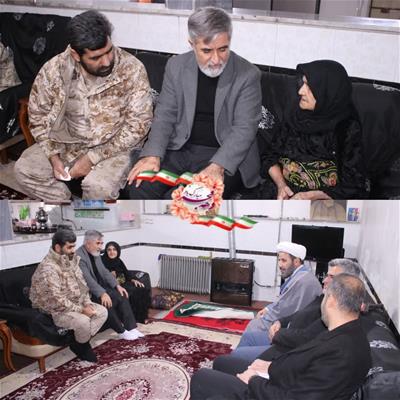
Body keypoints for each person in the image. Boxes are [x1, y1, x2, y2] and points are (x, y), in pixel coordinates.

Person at [14, 10, 153, 201]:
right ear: (76, 55)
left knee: (98, 187)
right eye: (96, 58)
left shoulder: (132, 68)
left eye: (109, 51)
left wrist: (92, 158)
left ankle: (94, 217)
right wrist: (52, 155)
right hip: (66, 143)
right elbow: (38, 116)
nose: (107, 61)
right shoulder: (54, 70)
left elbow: (138, 126)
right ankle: (64, 207)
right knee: (24, 169)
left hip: (115, 147)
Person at [126, 7, 262, 199]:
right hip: (180, 148)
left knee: (184, 200)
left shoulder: (247, 75)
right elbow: (165, 114)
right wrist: (153, 154)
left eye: (223, 49)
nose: (216, 59)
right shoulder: (176, 66)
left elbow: (245, 129)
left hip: (224, 155)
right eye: (207, 51)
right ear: (192, 44)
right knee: (140, 187)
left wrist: (217, 166)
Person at [190, 274, 372, 400]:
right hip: (281, 377)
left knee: (201, 378)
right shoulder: (347, 332)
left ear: (331, 300)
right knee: (222, 362)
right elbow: (307, 366)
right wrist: (270, 367)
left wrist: (254, 380)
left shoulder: (342, 353)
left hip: (271, 391)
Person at [215, 258, 361, 366]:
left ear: (347, 282)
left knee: (235, 355)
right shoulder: (324, 297)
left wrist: (279, 334)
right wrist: (280, 321)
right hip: (285, 335)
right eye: (327, 276)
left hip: (288, 349)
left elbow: (307, 338)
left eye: (331, 277)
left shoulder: (333, 310)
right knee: (248, 337)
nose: (325, 281)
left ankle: (239, 372)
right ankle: (238, 370)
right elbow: (300, 313)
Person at [258, 59, 367, 200]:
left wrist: (311, 196)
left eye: (309, 87)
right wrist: (281, 185)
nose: (301, 91)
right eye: (302, 83)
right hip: (283, 191)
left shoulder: (346, 127)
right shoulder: (295, 115)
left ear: (327, 92)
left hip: (324, 198)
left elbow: (353, 183)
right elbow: (269, 157)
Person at [29, 229, 108, 362]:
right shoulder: (48, 268)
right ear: (58, 247)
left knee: (102, 312)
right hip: (56, 310)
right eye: (70, 247)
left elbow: (82, 285)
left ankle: (79, 342)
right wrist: (82, 310)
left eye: (74, 246)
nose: (73, 250)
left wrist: (87, 303)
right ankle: (82, 344)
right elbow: (57, 299)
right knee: (83, 321)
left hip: (75, 303)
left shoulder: (71, 260)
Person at [240, 241, 322, 338]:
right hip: (295, 322)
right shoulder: (302, 274)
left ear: (296, 261)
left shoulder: (301, 280)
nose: (280, 264)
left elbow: (285, 310)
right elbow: (284, 301)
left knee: (254, 326)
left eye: (284, 260)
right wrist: (267, 308)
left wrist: (266, 315)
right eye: (279, 260)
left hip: (295, 327)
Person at [76, 230, 144, 340]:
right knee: (107, 302)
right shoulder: (79, 257)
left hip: (100, 286)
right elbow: (88, 280)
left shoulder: (95, 253)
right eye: (98, 243)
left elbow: (104, 271)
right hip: (87, 292)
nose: (101, 247)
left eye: (101, 243)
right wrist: (102, 294)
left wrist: (117, 285)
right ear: (88, 243)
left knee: (122, 294)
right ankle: (121, 331)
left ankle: (131, 328)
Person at [101, 241, 151, 323]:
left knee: (141, 289)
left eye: (114, 249)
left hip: (123, 283)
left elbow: (126, 272)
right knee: (131, 292)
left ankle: (141, 317)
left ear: (118, 251)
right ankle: (132, 319)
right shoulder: (102, 262)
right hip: (112, 287)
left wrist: (133, 280)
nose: (112, 252)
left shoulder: (118, 261)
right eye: (109, 250)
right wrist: (112, 277)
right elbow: (101, 278)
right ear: (106, 251)